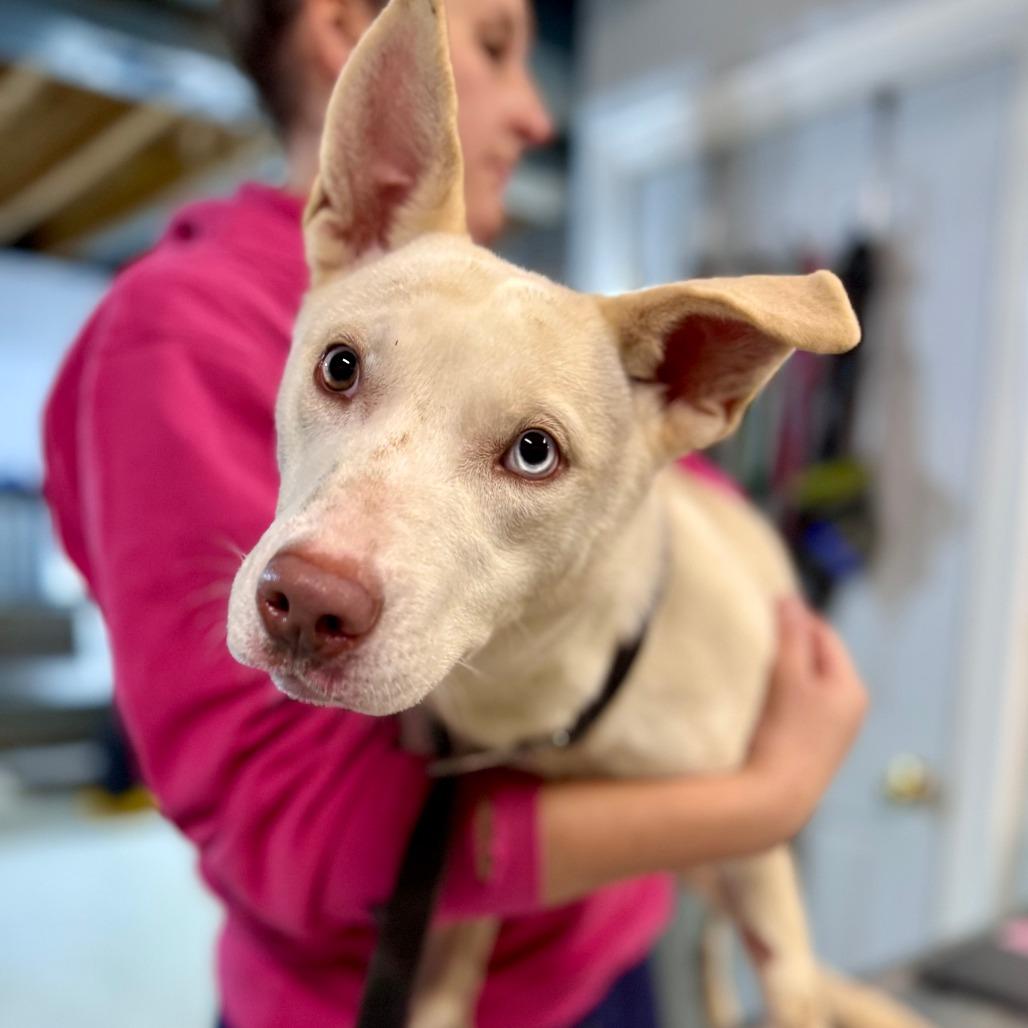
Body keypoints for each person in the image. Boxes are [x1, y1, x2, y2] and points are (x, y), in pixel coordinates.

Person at [42, 1, 868, 1026]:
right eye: (495, 46)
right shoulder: (183, 328)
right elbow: (283, 820)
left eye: (529, 447)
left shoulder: (515, 322)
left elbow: (668, 486)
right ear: (353, 32)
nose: (537, 114)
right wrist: (759, 803)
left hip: (604, 954)